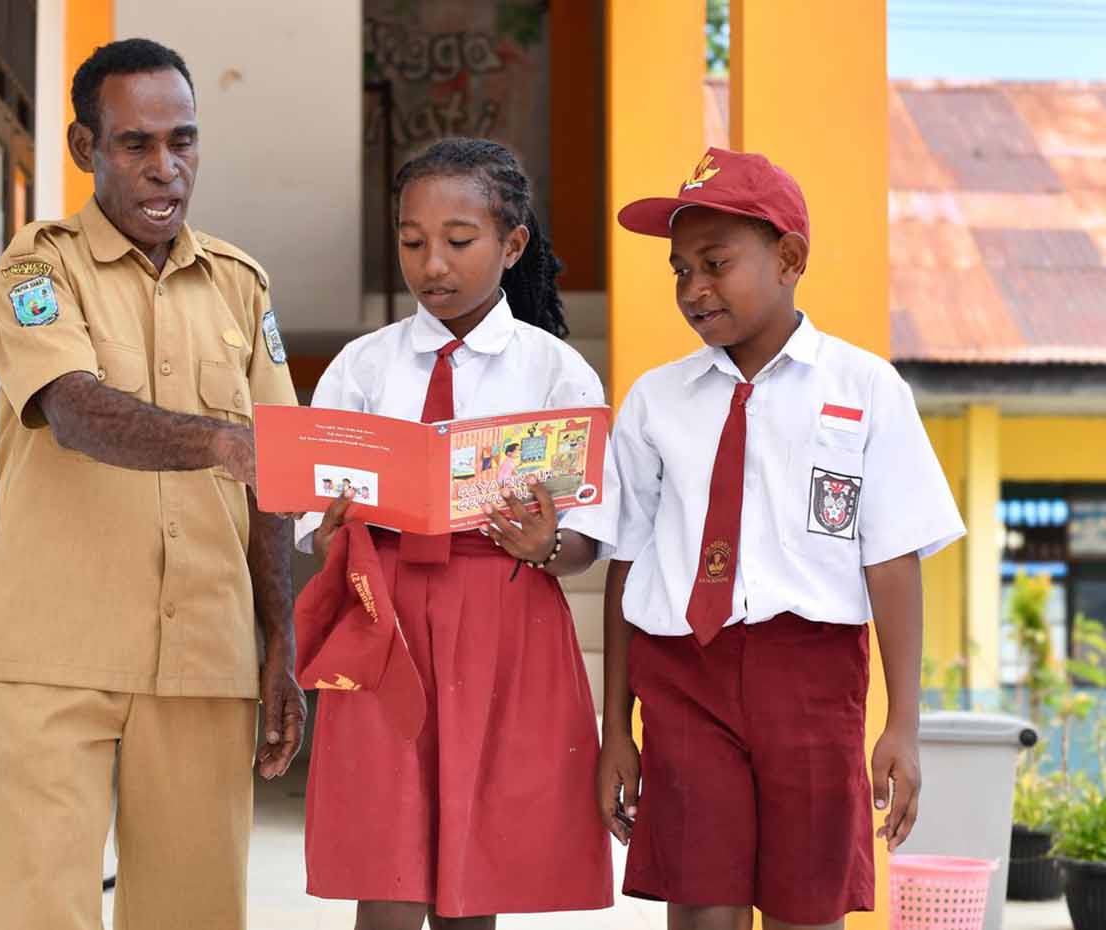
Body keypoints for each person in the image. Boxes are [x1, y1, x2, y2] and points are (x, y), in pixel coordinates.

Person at [0, 38, 303, 930]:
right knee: (37, 910)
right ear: (86, 147)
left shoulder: (241, 286)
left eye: (182, 141)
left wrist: (281, 639)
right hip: (56, 647)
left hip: (205, 651)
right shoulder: (38, 267)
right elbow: (74, 410)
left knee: (194, 914)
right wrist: (222, 443)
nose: (166, 167)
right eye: (136, 144)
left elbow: (276, 475)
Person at [598, 147, 966, 930]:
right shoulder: (656, 401)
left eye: (715, 263)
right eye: (679, 270)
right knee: (702, 903)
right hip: (684, 674)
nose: (693, 289)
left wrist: (904, 723)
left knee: (808, 904)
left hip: (811, 676)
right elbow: (627, 561)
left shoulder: (864, 388)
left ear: (790, 259)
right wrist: (615, 731)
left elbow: (892, 559)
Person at [294, 138, 618, 929]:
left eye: (459, 241)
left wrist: (546, 544)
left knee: (477, 862)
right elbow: (314, 521)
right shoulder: (363, 367)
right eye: (412, 242)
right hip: (386, 620)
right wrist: (333, 531)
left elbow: (585, 539)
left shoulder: (555, 372)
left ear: (512, 244)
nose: (432, 264)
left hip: (503, 618)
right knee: (387, 858)